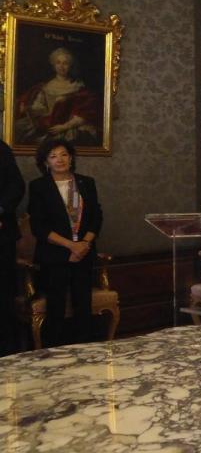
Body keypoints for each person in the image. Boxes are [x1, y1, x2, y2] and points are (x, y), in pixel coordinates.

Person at [28, 139, 102, 347]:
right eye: (53, 156)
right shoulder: (39, 186)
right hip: (55, 255)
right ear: (45, 162)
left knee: (83, 304)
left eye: (64, 154)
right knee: (56, 306)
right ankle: (56, 354)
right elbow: (39, 227)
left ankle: (86, 350)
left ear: (71, 158)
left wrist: (84, 244)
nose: (59, 160)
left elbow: (96, 217)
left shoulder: (86, 183)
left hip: (84, 252)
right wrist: (71, 246)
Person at [15, 47, 102, 146]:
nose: (61, 66)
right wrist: (27, 109)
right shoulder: (47, 87)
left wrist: (64, 127)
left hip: (72, 126)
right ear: (54, 65)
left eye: (65, 63)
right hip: (51, 124)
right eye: (58, 63)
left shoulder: (78, 86)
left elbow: (85, 112)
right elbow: (39, 108)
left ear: (70, 66)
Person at [0, 139, 26, 355]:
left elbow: (16, 185)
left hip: (1, 235)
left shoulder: (1, 149)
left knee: (3, 293)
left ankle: (7, 350)